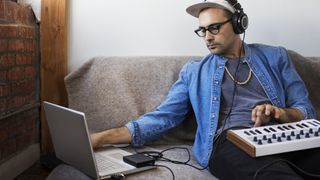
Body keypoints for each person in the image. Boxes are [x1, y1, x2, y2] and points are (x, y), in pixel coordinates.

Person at [91, 0, 319, 179]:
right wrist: (100, 138)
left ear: (239, 24)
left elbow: (305, 109)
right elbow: (162, 118)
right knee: (273, 174)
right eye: (202, 30)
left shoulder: (275, 56)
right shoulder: (194, 72)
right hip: (230, 143)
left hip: (280, 137)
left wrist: (280, 113)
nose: (207, 37)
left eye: (215, 28)